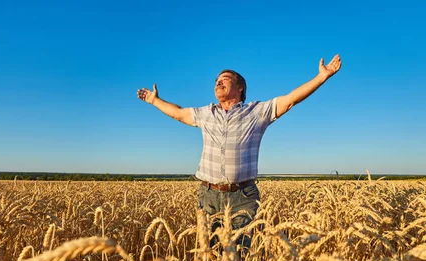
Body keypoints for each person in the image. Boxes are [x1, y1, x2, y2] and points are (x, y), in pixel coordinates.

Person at [137, 54, 342, 248]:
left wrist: (322, 77)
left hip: (243, 196)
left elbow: (290, 100)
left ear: (240, 88)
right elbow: (179, 114)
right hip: (208, 195)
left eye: (225, 79)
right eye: (217, 80)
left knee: (241, 256)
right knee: (208, 257)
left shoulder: (256, 112)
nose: (218, 82)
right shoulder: (206, 113)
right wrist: (154, 100)